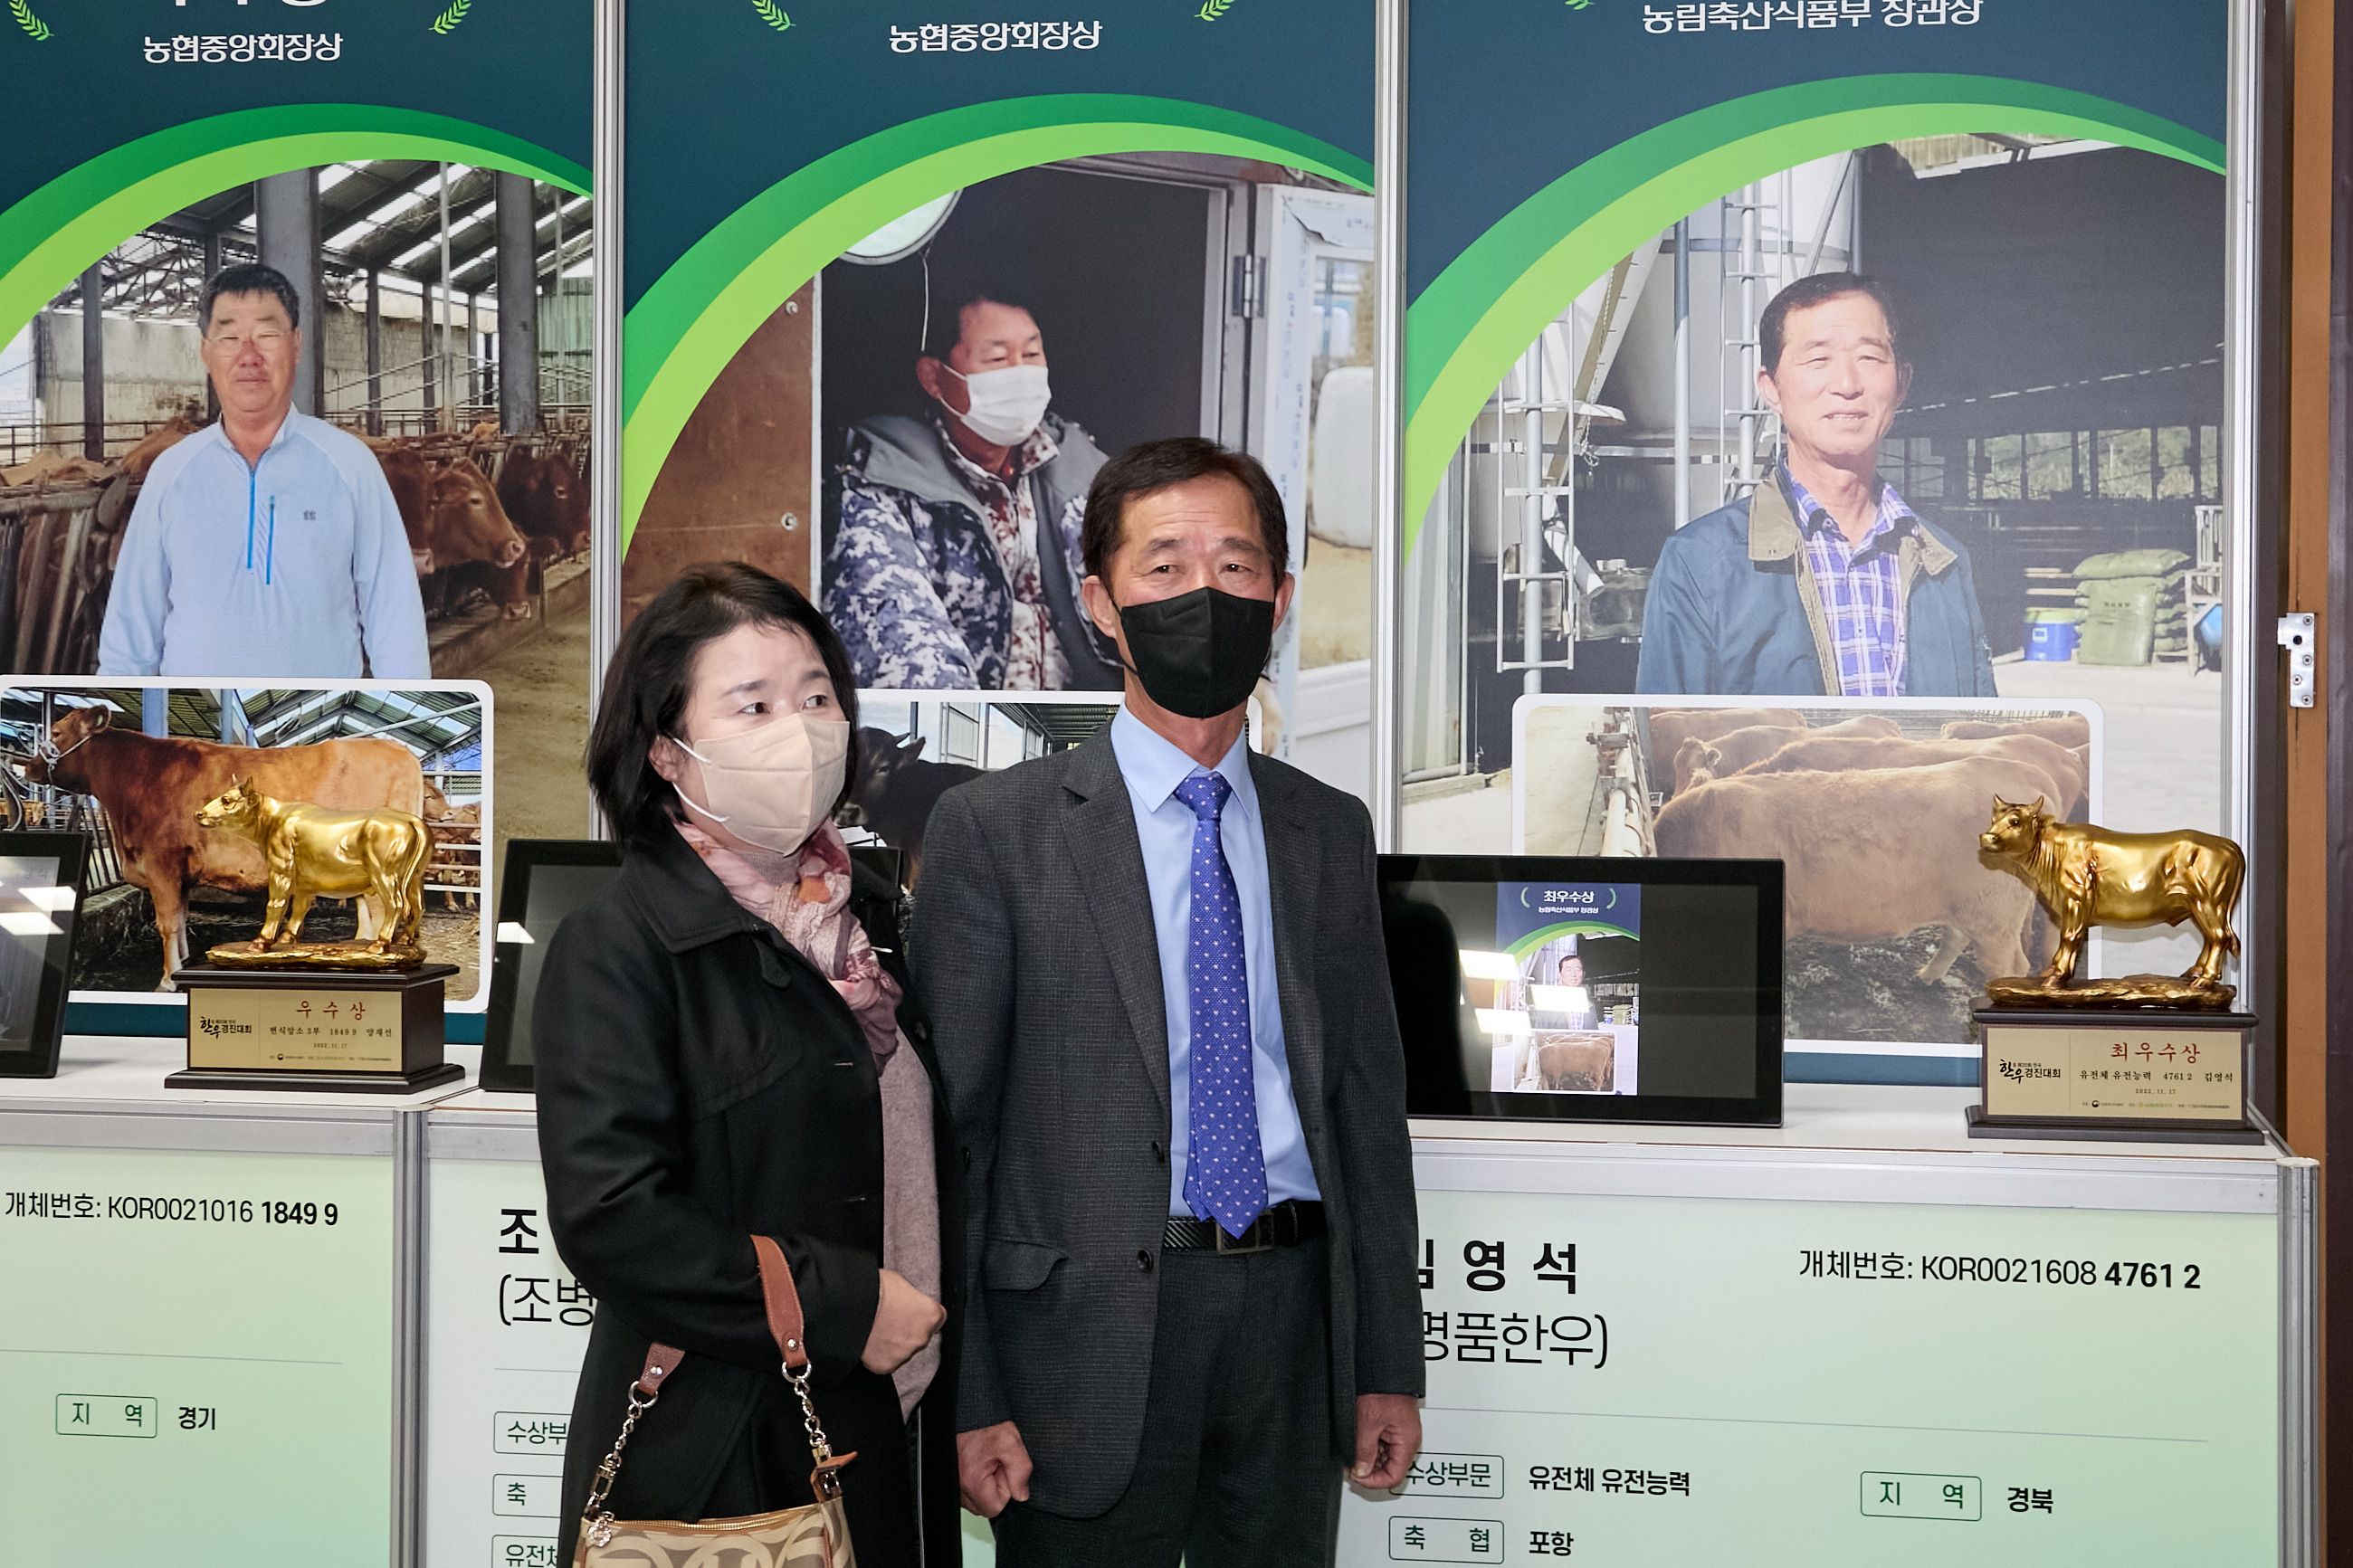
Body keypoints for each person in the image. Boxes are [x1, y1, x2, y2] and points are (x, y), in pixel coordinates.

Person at [915, 438, 1424, 1566]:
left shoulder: (1327, 828)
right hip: (1077, 1341)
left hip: (1293, 1322)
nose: (1204, 591)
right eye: (1163, 566)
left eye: (1235, 565)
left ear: (1279, 599)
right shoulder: (994, 831)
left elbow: (1362, 1111)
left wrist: (1383, 1359)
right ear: (1100, 605)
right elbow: (954, 1137)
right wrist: (965, 1388)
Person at [534, 563, 959, 1566]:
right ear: (665, 752)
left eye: (815, 696)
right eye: (752, 704)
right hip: (722, 1451)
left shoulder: (873, 923)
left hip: (891, 1424)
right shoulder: (618, 944)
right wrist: (845, 1305)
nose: (797, 729)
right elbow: (612, 1215)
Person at [1636, 271, 1997, 698]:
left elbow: (1978, 730)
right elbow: (1669, 733)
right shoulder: (1700, 563)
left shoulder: (1945, 562)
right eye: (1818, 360)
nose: (1847, 385)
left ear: (1902, 383)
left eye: (1869, 357)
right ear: (1771, 388)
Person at [97, 262, 429, 679]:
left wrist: (407, 705)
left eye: (267, 335)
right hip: (194, 719)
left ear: (296, 345)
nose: (248, 356)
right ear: (206, 352)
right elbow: (130, 633)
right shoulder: (171, 473)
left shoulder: (350, 464)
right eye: (229, 337)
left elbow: (394, 614)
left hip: (319, 717)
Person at [825, 278, 1123, 691]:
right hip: (965, 724)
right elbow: (901, 640)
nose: (1020, 374)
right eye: (998, 358)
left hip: (1087, 724)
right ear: (933, 377)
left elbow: (1144, 607)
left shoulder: (1084, 470)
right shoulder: (882, 481)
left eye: (1031, 354)